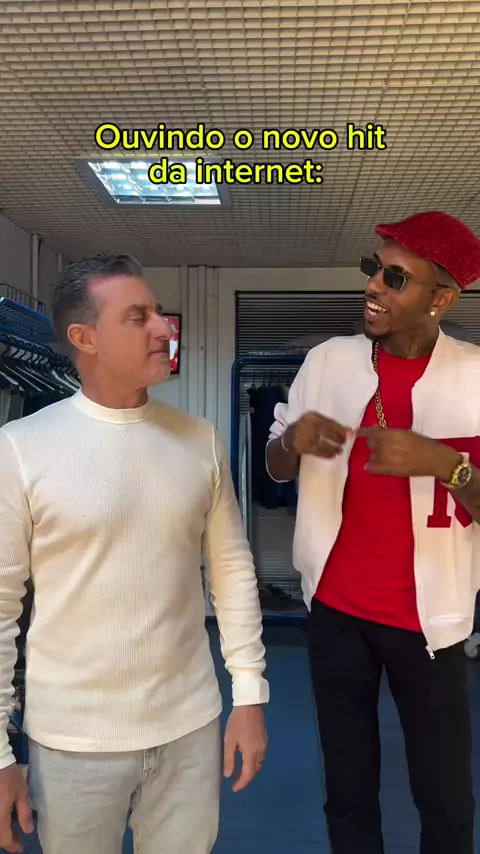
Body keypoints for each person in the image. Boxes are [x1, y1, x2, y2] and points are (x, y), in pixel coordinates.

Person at [0, 253, 269, 854]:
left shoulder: (198, 440)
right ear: (84, 338)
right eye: (137, 316)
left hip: (189, 725)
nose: (162, 327)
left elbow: (231, 572)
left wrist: (249, 695)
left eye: (159, 313)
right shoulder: (20, 449)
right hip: (73, 741)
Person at [267, 210, 480, 854]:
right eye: (374, 269)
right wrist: (292, 442)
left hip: (431, 622)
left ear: (441, 299)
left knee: (446, 799)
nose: (374, 287)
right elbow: (275, 466)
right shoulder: (328, 362)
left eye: (396, 278)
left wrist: (446, 464)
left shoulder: (475, 378)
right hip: (337, 612)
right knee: (348, 787)